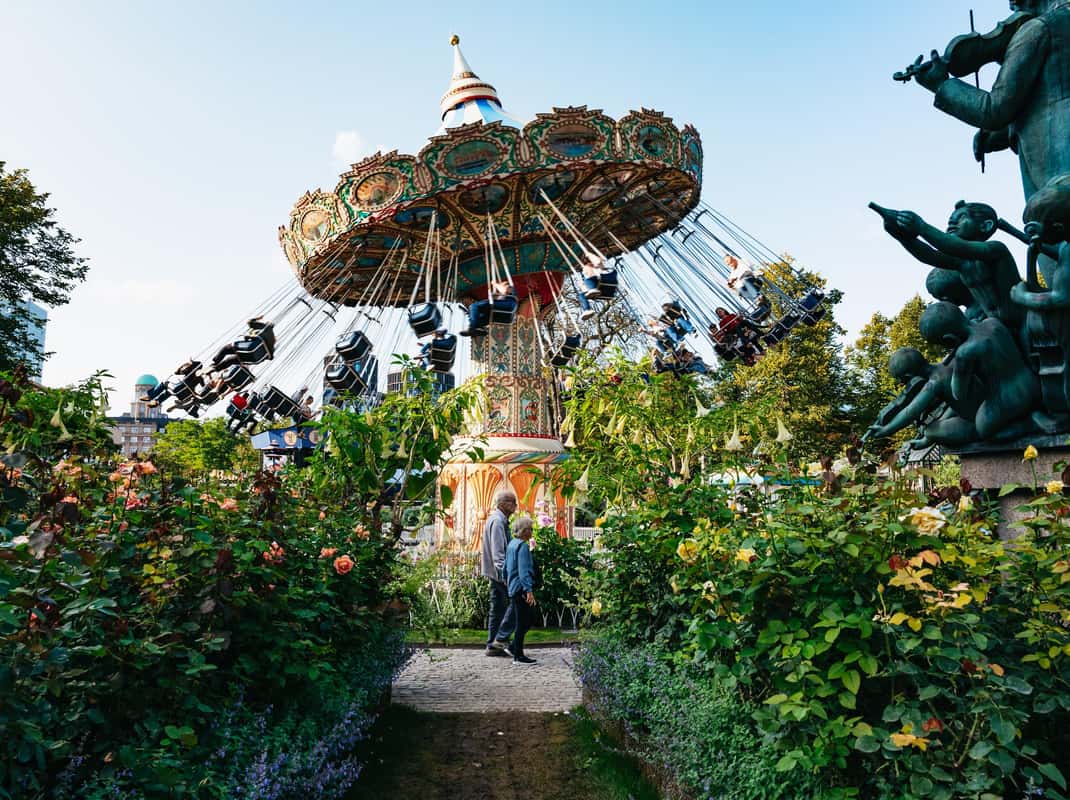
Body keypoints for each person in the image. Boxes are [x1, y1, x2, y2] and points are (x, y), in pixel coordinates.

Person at [883, 201, 1023, 330]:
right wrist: (901, 237)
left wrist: (922, 227)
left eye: (961, 217)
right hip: (996, 327)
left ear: (985, 226)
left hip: (1021, 324)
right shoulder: (962, 262)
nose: (952, 222)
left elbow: (952, 246)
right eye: (950, 220)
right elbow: (929, 255)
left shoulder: (995, 249)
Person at [494, 516, 538, 665]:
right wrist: (529, 591)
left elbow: (505, 567)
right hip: (521, 588)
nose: (532, 532)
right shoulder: (523, 547)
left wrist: (506, 580)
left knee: (527, 618)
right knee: (524, 621)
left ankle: (514, 648)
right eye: (530, 529)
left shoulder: (512, 544)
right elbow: (524, 571)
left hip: (514, 587)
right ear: (524, 531)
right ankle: (518, 655)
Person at [480, 490, 517, 657]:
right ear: (503, 504)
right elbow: (498, 554)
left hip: (496, 573)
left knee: (498, 609)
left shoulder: (498, 520)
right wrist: (505, 576)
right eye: (512, 502)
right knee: (517, 603)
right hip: (499, 574)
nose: (515, 505)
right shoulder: (497, 522)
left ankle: (493, 645)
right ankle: (499, 639)